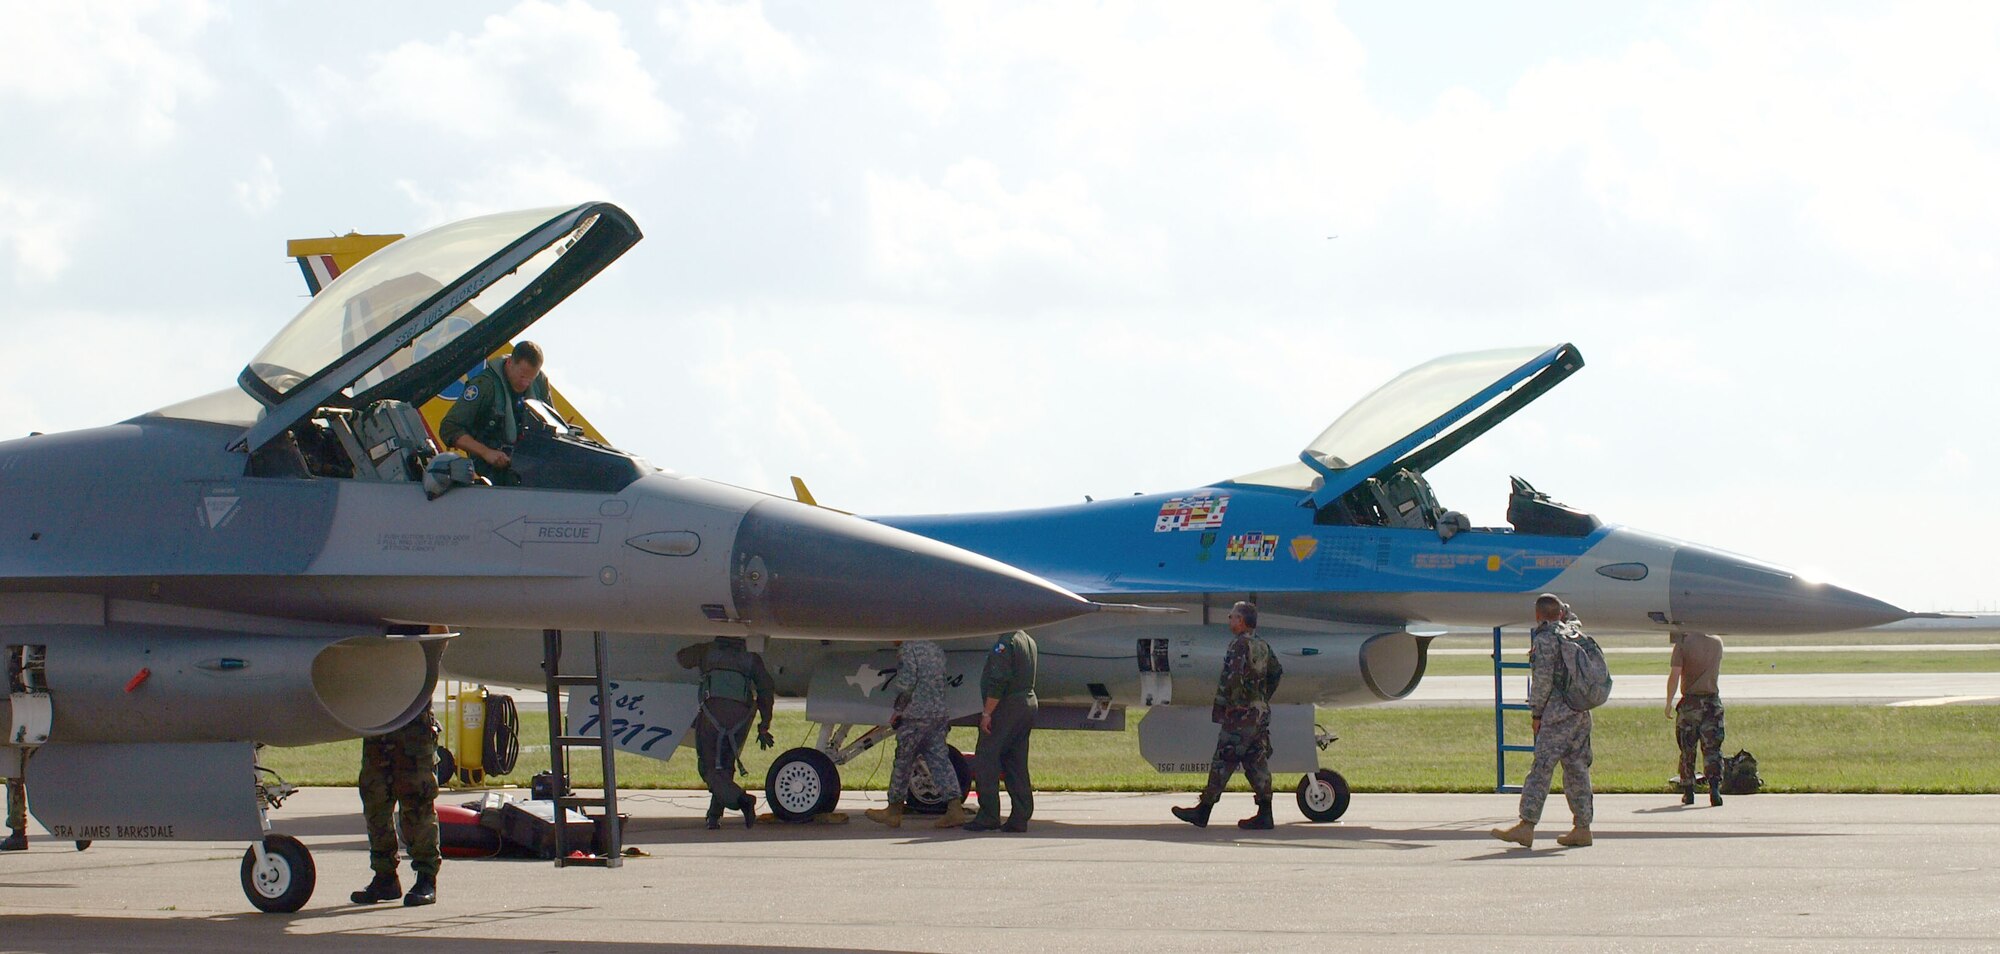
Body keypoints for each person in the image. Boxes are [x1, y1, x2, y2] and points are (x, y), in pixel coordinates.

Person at [1492, 594, 1595, 849]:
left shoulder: (1546, 640)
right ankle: (1582, 827)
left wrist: (1536, 714)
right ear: (1560, 614)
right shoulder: (1573, 632)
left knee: (1541, 769)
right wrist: (1564, 612)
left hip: (1557, 715)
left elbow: (1542, 682)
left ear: (1538, 616)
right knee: (1577, 769)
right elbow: (1572, 618)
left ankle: (1526, 826)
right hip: (1581, 711)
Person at [1173, 601, 1285, 830]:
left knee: (1223, 760)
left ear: (1241, 621)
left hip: (1240, 715)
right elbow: (1276, 672)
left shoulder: (1239, 645)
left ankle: (1203, 810)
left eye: (1232, 616)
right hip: (1259, 713)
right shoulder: (1262, 645)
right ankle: (1265, 812)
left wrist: (1234, 705)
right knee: (1256, 761)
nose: (1229, 620)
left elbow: (1234, 677)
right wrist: (1261, 698)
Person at [866, 640, 968, 829]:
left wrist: (898, 709)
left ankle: (894, 810)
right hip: (937, 714)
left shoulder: (908, 649)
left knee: (903, 761)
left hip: (915, 716)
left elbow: (907, 684)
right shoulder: (936, 648)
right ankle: (955, 808)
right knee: (940, 761)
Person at [676, 636, 776, 829]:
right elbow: (766, 689)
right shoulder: (751, 659)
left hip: (711, 714)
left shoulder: (707, 651)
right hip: (740, 718)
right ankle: (713, 816)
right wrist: (764, 723)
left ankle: (742, 800)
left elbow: (682, 659)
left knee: (709, 768)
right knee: (725, 766)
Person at [351, 704, 442, 906]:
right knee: (375, 802)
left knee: (417, 803)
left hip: (412, 724)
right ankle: (385, 877)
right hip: (378, 722)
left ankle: (426, 877)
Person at [437, 340, 552, 486]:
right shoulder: (485, 385)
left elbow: (551, 427)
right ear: (510, 362)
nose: (525, 384)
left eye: (530, 379)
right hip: (490, 475)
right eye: (522, 376)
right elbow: (449, 428)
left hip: (529, 472)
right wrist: (486, 452)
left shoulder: (540, 383)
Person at [963, 630, 1037, 833]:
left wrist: (987, 713)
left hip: (1007, 705)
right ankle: (1020, 816)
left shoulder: (1005, 643)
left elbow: (998, 680)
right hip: (1026, 702)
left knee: (986, 757)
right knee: (1016, 761)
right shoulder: (1027, 640)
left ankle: (988, 815)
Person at [1667, 631, 1727, 806]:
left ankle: (1688, 791)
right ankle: (1714, 789)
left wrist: (1669, 702)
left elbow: (1675, 675)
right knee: (1713, 749)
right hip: (1712, 703)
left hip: (1691, 703)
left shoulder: (1683, 643)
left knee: (1687, 749)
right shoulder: (1717, 642)